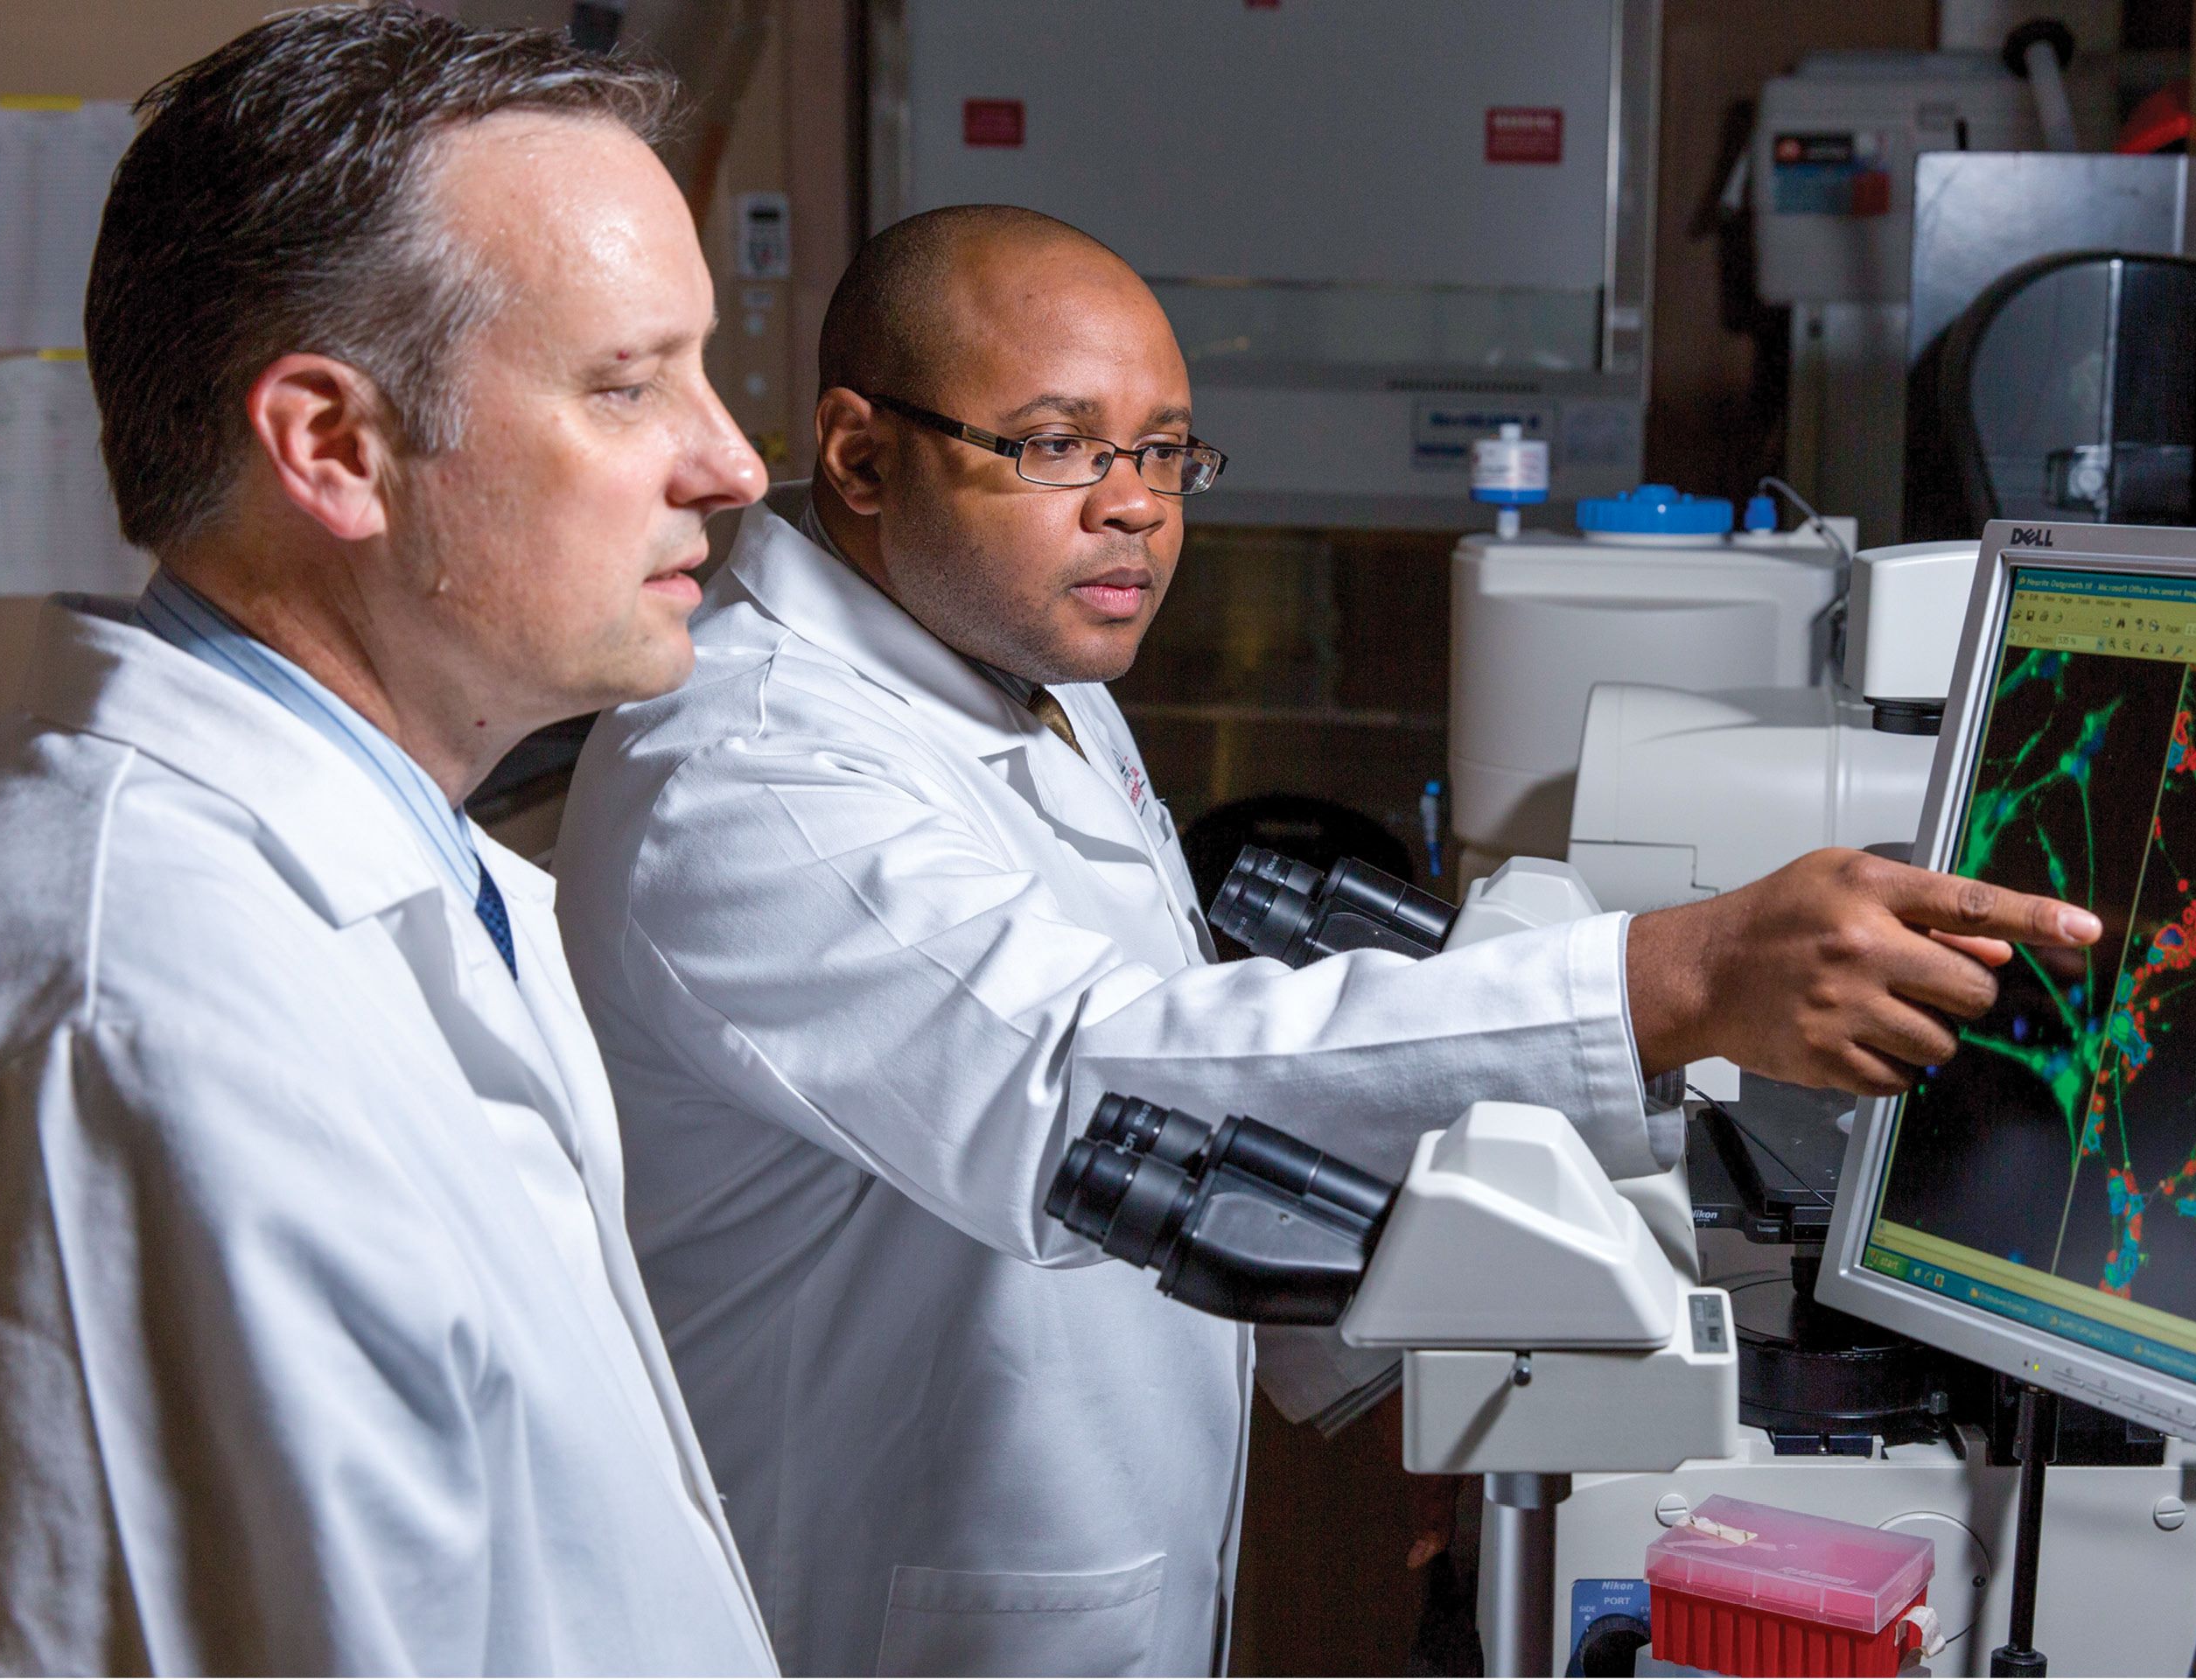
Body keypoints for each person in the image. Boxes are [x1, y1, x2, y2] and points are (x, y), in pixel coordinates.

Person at [553, 205, 2098, 1676]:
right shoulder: (752, 773)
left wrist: (1376, 1367)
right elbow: (1089, 1089)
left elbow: (1191, 1050)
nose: (1135, 502)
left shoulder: (1017, 664)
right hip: (859, 1593)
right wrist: (1675, 978)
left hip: (1054, 1525)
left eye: (1162, 451)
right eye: (1055, 445)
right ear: (858, 455)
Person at [0, 7, 775, 1671]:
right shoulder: (136, 1023)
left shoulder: (412, 886)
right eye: (627, 383)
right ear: (333, 445)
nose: (731, 461)